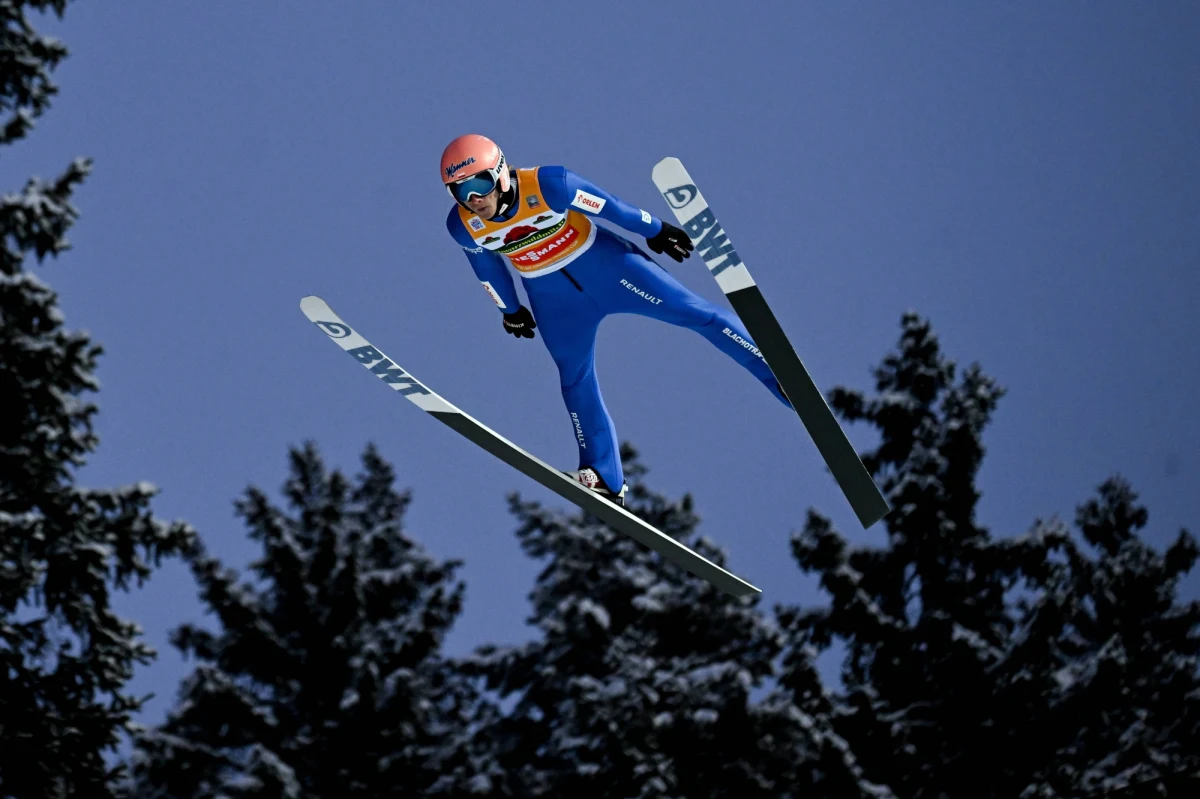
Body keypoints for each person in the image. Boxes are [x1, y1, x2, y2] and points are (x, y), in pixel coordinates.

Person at [442, 133, 791, 506]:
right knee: (574, 378)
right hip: (554, 302)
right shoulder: (463, 225)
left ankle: (781, 376)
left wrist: (656, 230)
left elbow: (611, 207)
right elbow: (485, 269)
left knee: (696, 314)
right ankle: (604, 476)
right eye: (459, 191)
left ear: (500, 173)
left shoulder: (548, 185)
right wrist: (509, 310)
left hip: (611, 269)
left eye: (478, 184)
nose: (473, 199)